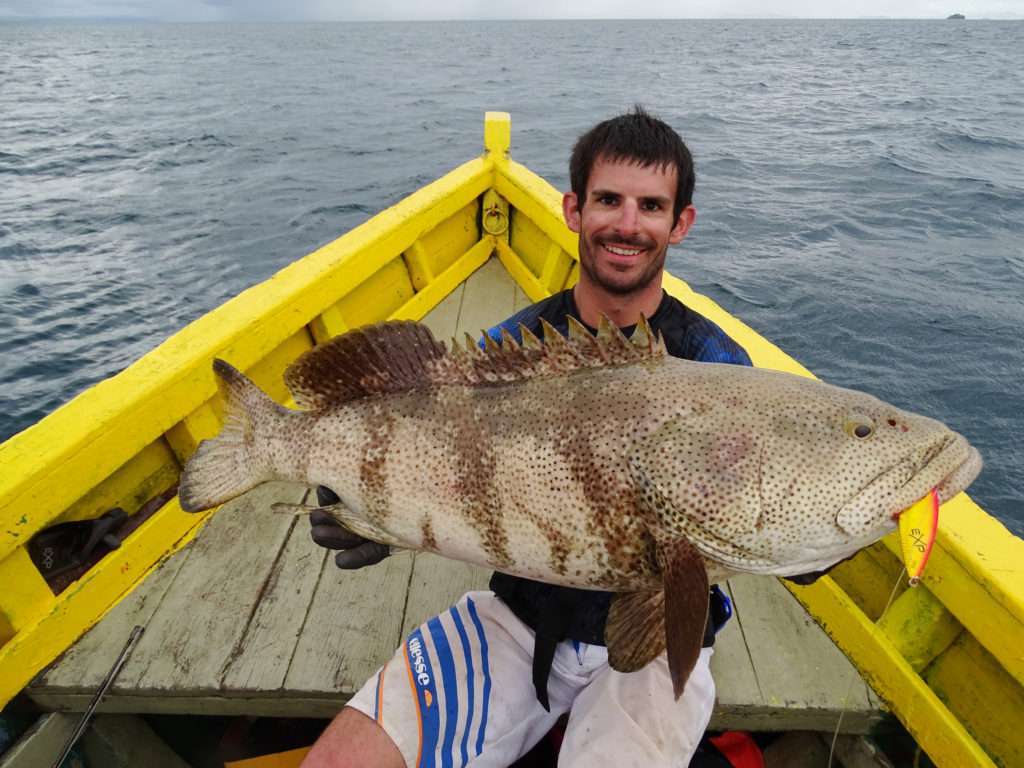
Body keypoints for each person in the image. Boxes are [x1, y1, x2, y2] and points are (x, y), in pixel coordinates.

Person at [301, 107, 752, 768]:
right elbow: (428, 440)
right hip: (519, 619)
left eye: (650, 206)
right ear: (573, 210)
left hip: (660, 637)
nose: (627, 224)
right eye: (608, 201)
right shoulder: (508, 350)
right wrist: (356, 497)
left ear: (679, 223)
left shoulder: (716, 367)